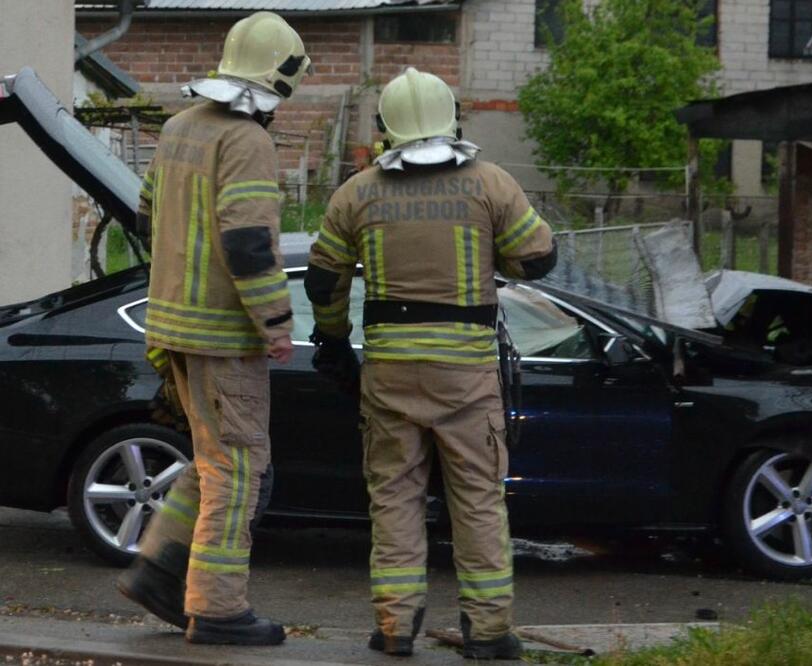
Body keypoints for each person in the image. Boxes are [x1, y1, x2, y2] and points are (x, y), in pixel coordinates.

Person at [305, 67, 556, 659]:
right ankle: (489, 632)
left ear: (384, 129)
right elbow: (538, 260)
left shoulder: (357, 192)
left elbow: (322, 280)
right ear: (453, 120)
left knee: (393, 496)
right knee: (476, 498)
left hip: (390, 373)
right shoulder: (490, 183)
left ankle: (394, 628)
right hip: (466, 377)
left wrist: (334, 343)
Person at [116, 11, 310, 646]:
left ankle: (158, 573)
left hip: (171, 326)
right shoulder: (247, 141)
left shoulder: (178, 128)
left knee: (209, 466)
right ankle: (218, 607)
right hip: (225, 338)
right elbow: (250, 243)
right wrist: (276, 322)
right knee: (240, 470)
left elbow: (145, 215)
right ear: (276, 81)